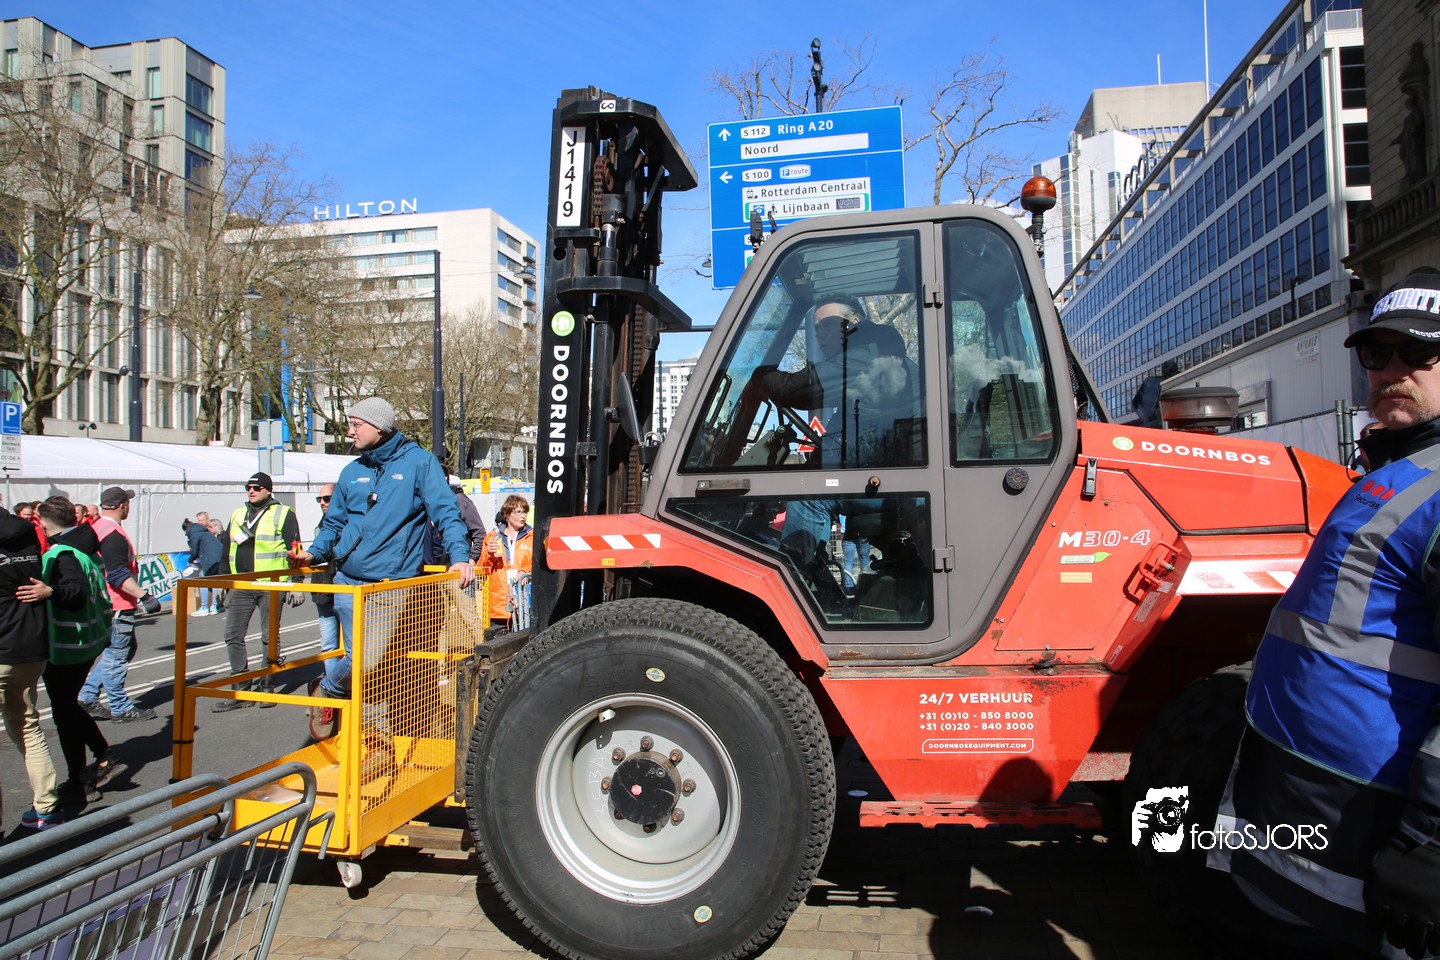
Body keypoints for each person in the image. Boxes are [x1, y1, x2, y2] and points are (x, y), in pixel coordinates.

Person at [1208, 270, 1440, 959]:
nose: (1391, 370)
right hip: (1309, 814)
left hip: (1369, 822)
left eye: (1418, 352)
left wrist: (1429, 844)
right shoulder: (1397, 472)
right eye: (1377, 353)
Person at [295, 397, 474, 713]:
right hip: (347, 581)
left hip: (389, 586)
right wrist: (313, 553)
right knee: (363, 664)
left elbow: (446, 512)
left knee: (368, 662)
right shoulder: (352, 471)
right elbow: (333, 523)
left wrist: (460, 556)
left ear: (378, 426)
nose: (349, 431)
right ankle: (365, 731)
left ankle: (327, 689)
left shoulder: (419, 463)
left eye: (355, 424)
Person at [21, 497, 115, 805]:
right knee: (67, 705)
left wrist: (50, 591)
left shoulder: (62, 553)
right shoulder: (85, 546)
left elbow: (75, 592)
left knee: (64, 712)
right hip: (85, 640)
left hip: (67, 644)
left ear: (42, 522)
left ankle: (80, 779)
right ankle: (101, 753)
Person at [214, 473, 302, 713]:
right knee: (232, 635)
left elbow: (295, 548)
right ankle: (241, 690)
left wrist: (296, 582)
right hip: (242, 584)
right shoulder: (237, 514)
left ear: (268, 490)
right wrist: (223, 581)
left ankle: (266, 687)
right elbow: (227, 548)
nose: (251, 491)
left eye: (257, 487)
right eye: (248, 487)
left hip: (271, 585)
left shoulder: (283, 513)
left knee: (269, 637)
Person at [0, 504, 64, 830]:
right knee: (28, 727)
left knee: (26, 726)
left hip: (4, 648)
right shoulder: (27, 532)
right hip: (31, 646)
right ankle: (47, 808)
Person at [77, 487, 161, 723]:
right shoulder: (113, 534)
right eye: (128, 504)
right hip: (117, 604)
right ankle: (120, 707)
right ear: (123, 506)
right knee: (117, 656)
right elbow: (117, 575)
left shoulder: (98, 528)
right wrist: (145, 596)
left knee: (125, 649)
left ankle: (87, 695)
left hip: (106, 603)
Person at [479, 494, 533, 631]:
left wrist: (525, 571)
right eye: (517, 512)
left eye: (524, 512)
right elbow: (482, 568)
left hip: (524, 603)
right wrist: (489, 554)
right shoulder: (492, 537)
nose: (522, 516)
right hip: (498, 604)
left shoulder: (532, 537)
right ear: (506, 514)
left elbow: (537, 563)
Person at [183, 511, 223, 616]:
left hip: (209, 560)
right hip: (217, 558)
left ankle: (205, 607)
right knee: (214, 582)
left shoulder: (194, 533)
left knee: (203, 581)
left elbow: (194, 550)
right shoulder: (204, 531)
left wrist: (190, 560)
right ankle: (214, 606)